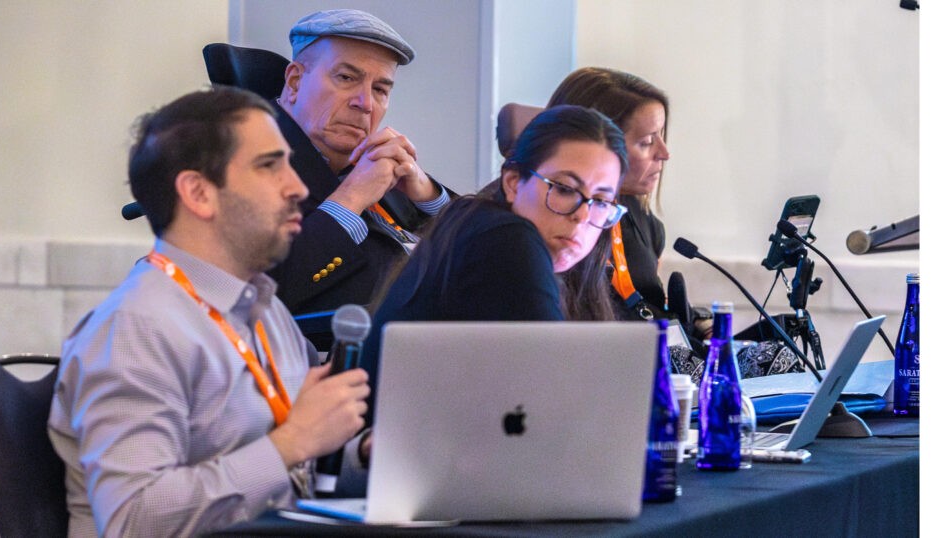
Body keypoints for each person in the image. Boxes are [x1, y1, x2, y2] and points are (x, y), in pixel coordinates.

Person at [47, 86, 371, 536]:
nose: (298, 188)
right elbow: (132, 519)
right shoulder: (135, 329)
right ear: (199, 193)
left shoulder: (266, 310)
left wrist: (364, 453)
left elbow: (303, 468)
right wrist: (291, 443)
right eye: (269, 166)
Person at [359, 105, 629, 426]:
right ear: (513, 183)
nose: (582, 216)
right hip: (394, 453)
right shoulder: (506, 238)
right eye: (564, 189)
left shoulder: (478, 225)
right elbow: (556, 405)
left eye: (601, 201)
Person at [267, 9, 453, 315]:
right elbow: (265, 290)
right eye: (346, 78)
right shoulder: (247, 161)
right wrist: (351, 199)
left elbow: (479, 245)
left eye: (379, 89)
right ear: (295, 82)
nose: (365, 104)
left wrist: (430, 195)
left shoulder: (375, 161)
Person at [545, 67, 672, 322]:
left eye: (661, 136)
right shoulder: (548, 224)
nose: (664, 153)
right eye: (647, 142)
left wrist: (699, 323)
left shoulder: (647, 224)